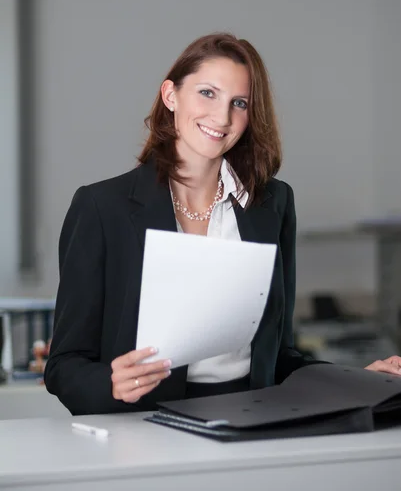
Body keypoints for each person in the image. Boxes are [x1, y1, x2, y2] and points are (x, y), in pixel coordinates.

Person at [44, 33, 401, 416]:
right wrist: (110, 384)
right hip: (143, 427)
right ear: (171, 96)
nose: (222, 117)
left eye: (239, 103)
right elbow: (65, 365)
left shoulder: (272, 204)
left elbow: (278, 358)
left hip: (251, 422)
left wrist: (356, 379)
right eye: (207, 93)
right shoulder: (102, 208)